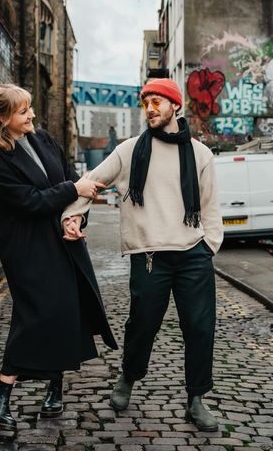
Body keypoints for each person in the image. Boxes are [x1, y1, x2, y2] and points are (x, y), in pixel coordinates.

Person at [62, 78, 223, 432]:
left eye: (157, 101)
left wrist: (209, 245)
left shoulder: (201, 154)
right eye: (145, 102)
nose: (150, 108)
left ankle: (196, 399)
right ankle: (128, 376)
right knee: (142, 326)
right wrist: (73, 213)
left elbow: (210, 207)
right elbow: (93, 180)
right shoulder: (130, 150)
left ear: (175, 106)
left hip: (193, 255)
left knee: (199, 328)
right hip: (150, 255)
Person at [0, 83, 116, 431]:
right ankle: (0, 397)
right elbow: (30, 201)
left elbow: (73, 183)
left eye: (30, 108)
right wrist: (73, 191)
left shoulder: (42, 139)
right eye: (24, 111)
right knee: (35, 316)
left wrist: (75, 219)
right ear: (2, 118)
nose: (32, 115)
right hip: (29, 252)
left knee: (66, 310)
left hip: (62, 243)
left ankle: (54, 387)